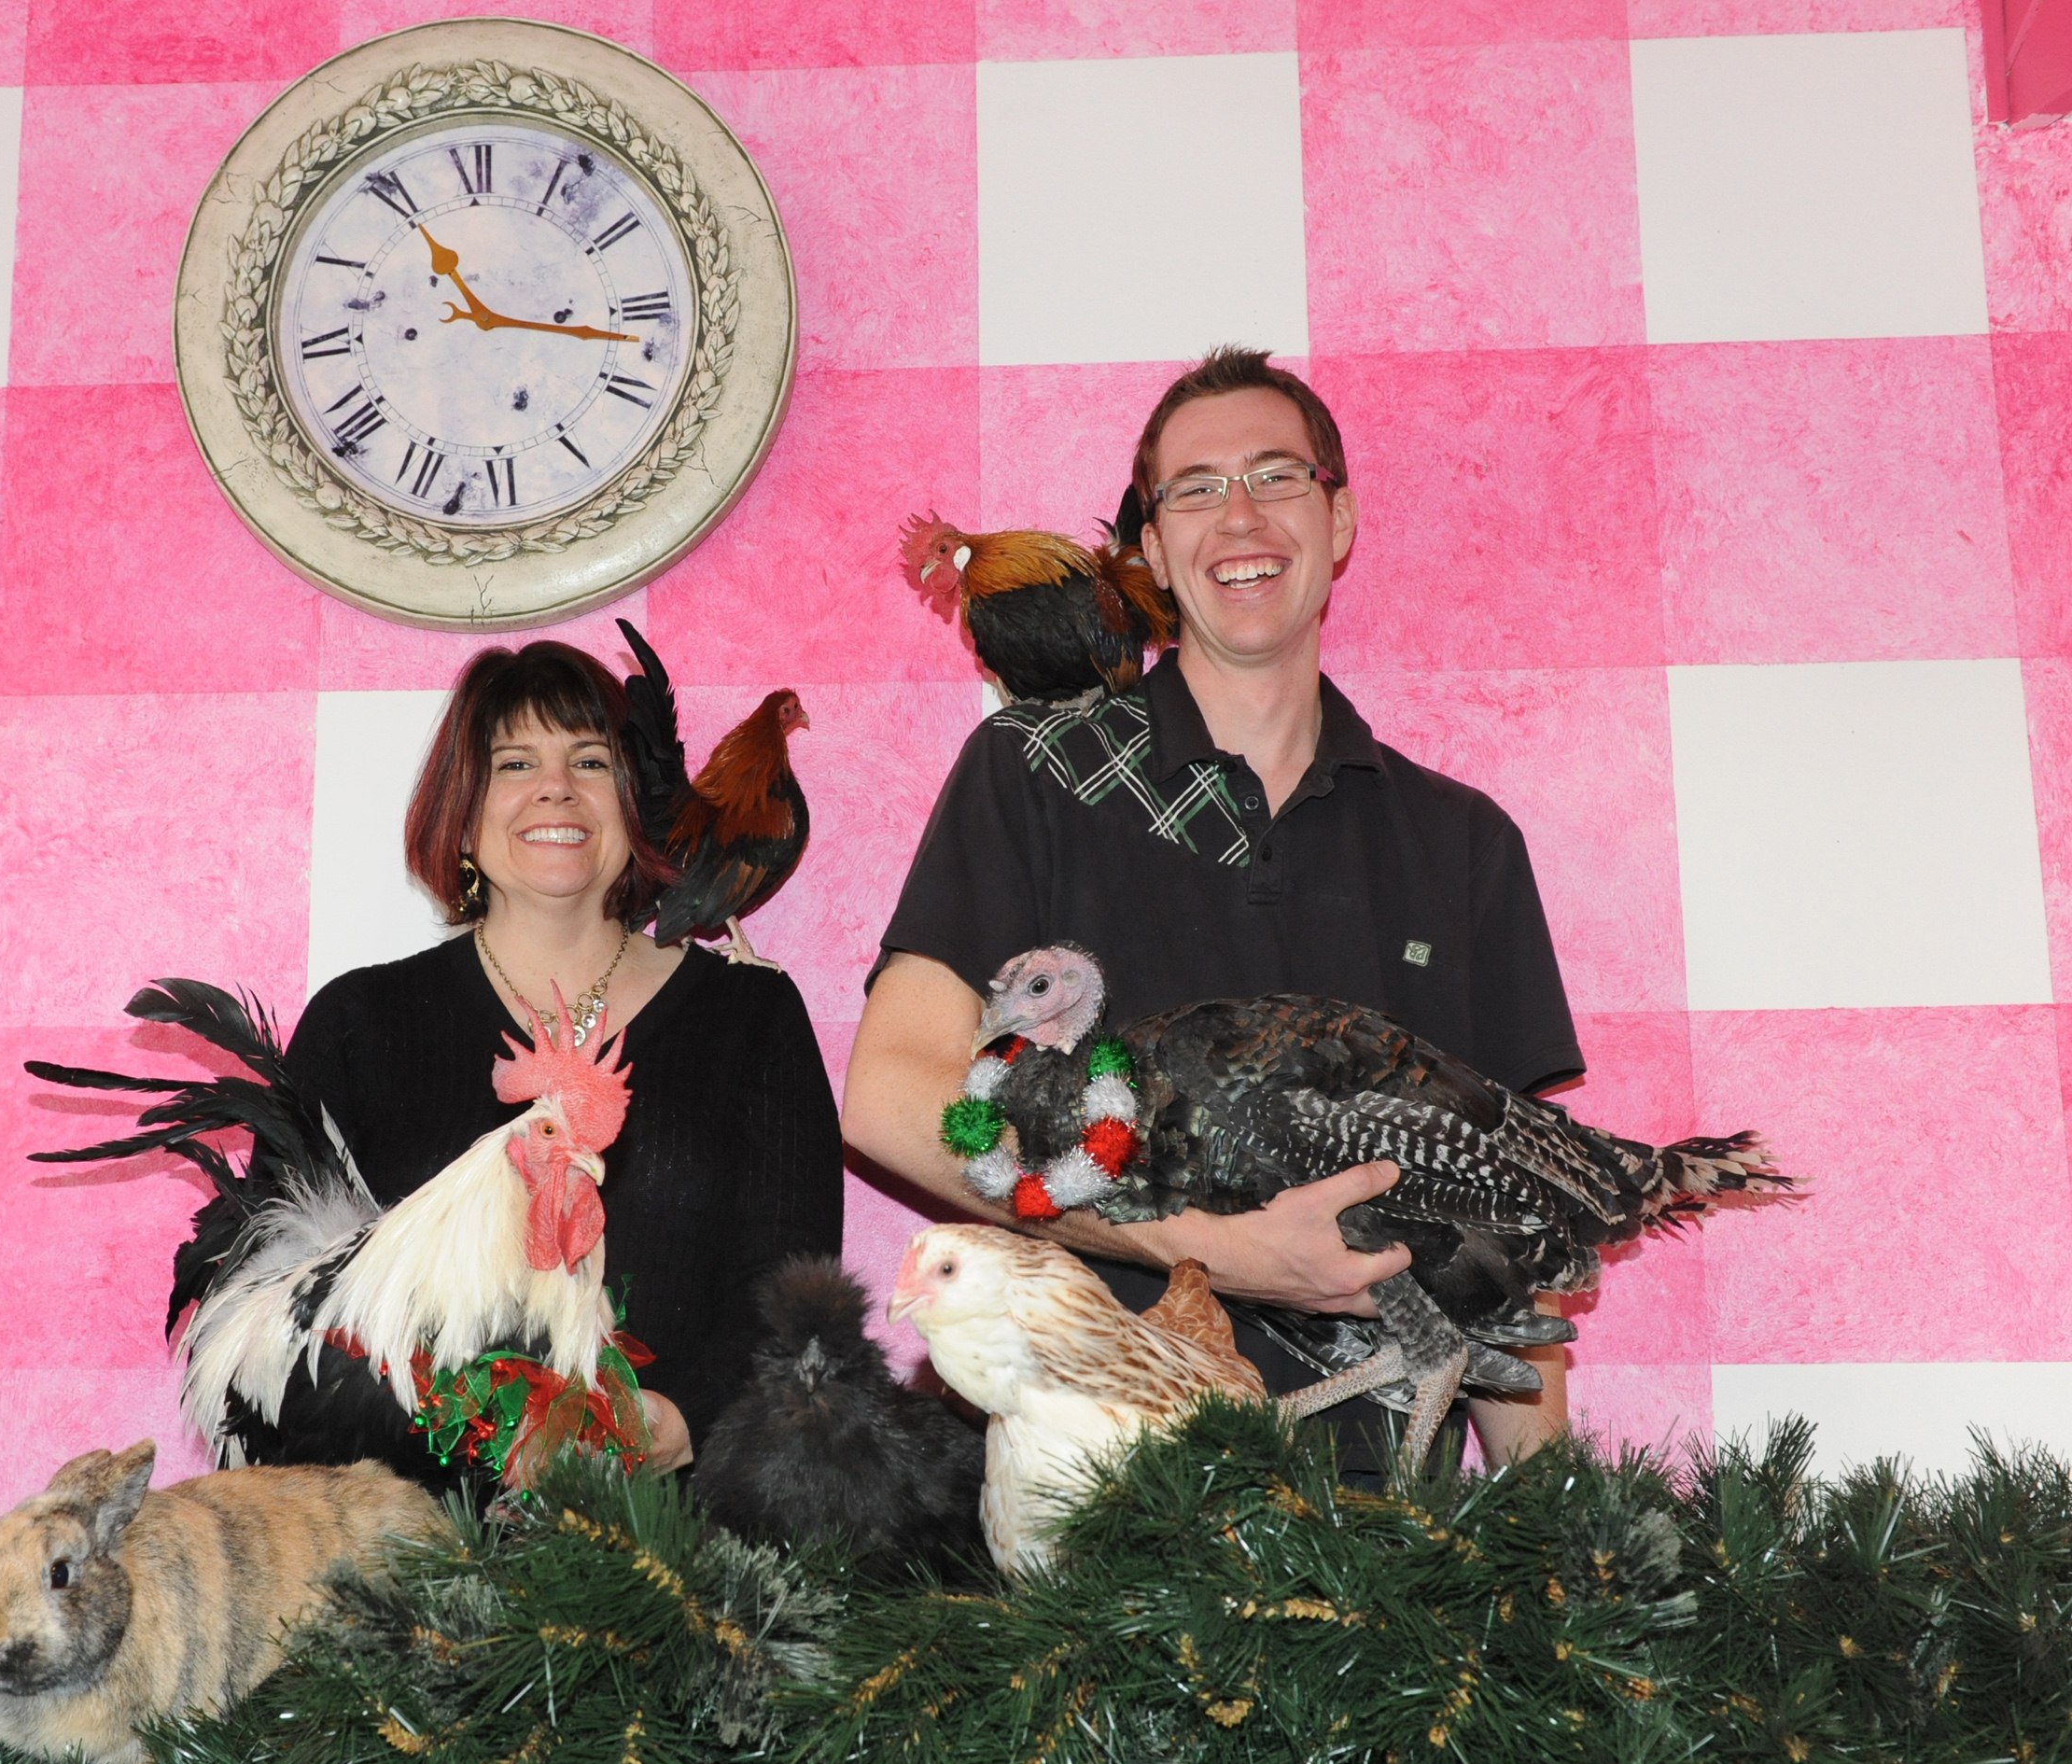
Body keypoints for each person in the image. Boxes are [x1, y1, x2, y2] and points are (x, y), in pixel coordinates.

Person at [845, 347, 1582, 1476]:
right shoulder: (1035, 775)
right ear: (1149, 548)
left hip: (1389, 1555)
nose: (1238, 515)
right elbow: (891, 1096)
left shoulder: (1462, 845)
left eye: (1278, 476)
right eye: (1194, 489)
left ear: (1339, 523)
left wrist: (1556, 1541)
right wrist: (1221, 1255)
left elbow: (1506, 1232)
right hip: (1095, 1515)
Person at [286, 640, 843, 1471]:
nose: (556, 786)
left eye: (590, 759)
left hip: (685, 1545)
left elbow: (793, 1283)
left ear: (634, 803)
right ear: (462, 813)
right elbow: (289, 1300)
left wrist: (680, 1418)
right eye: (515, 762)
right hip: (409, 1538)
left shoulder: (750, 1015)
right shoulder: (358, 1024)